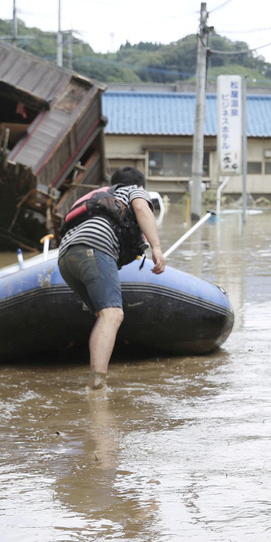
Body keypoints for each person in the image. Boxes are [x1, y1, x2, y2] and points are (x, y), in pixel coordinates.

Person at [58, 166, 166, 389]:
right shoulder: (134, 191)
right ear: (141, 185)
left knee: (102, 314)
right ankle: (97, 385)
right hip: (95, 248)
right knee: (112, 314)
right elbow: (141, 209)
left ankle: (97, 376)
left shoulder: (99, 196)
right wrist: (156, 247)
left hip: (66, 256)